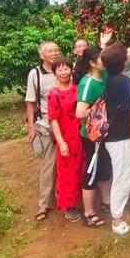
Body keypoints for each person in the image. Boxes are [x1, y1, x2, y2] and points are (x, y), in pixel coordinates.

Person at [98, 42, 130, 235]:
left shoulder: (110, 78)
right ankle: (117, 219)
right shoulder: (123, 81)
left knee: (122, 174)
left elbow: (115, 57)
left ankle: (120, 212)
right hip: (121, 136)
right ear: (122, 62)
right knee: (123, 177)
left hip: (114, 135)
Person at [75, 45, 112, 228]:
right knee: (92, 173)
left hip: (103, 133)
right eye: (101, 58)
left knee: (105, 169)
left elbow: (121, 56)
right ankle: (88, 212)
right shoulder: (87, 83)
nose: (105, 60)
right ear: (91, 63)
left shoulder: (103, 74)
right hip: (92, 137)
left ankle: (106, 202)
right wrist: (99, 107)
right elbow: (80, 112)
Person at [25, 41, 60, 221]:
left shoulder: (64, 69)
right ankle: (44, 203)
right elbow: (31, 102)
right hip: (47, 123)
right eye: (50, 51)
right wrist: (31, 127)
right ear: (42, 56)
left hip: (68, 122)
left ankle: (66, 199)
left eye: (56, 50)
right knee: (49, 163)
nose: (54, 53)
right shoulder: (36, 74)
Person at [47, 57, 83, 222]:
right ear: (55, 73)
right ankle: (69, 206)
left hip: (81, 134)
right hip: (66, 137)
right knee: (67, 173)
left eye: (66, 68)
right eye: (59, 69)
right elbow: (53, 119)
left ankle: (82, 201)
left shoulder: (78, 89)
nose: (63, 72)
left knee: (82, 169)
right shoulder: (54, 94)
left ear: (71, 70)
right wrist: (61, 142)